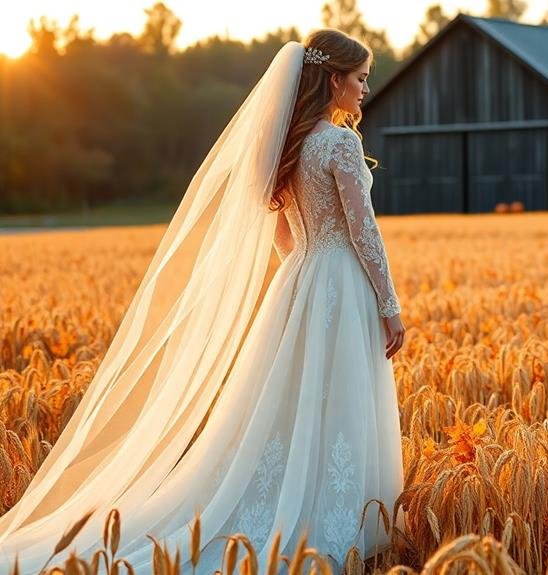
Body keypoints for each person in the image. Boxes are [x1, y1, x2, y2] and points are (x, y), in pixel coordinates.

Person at [0, 30, 407, 574]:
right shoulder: (340, 143)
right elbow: (364, 232)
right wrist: (388, 302)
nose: (364, 89)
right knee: (339, 398)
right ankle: (340, 519)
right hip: (340, 282)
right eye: (359, 78)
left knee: (292, 405)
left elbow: (284, 237)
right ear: (334, 80)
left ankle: (295, 504)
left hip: (301, 281)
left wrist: (306, 269)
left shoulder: (288, 147)